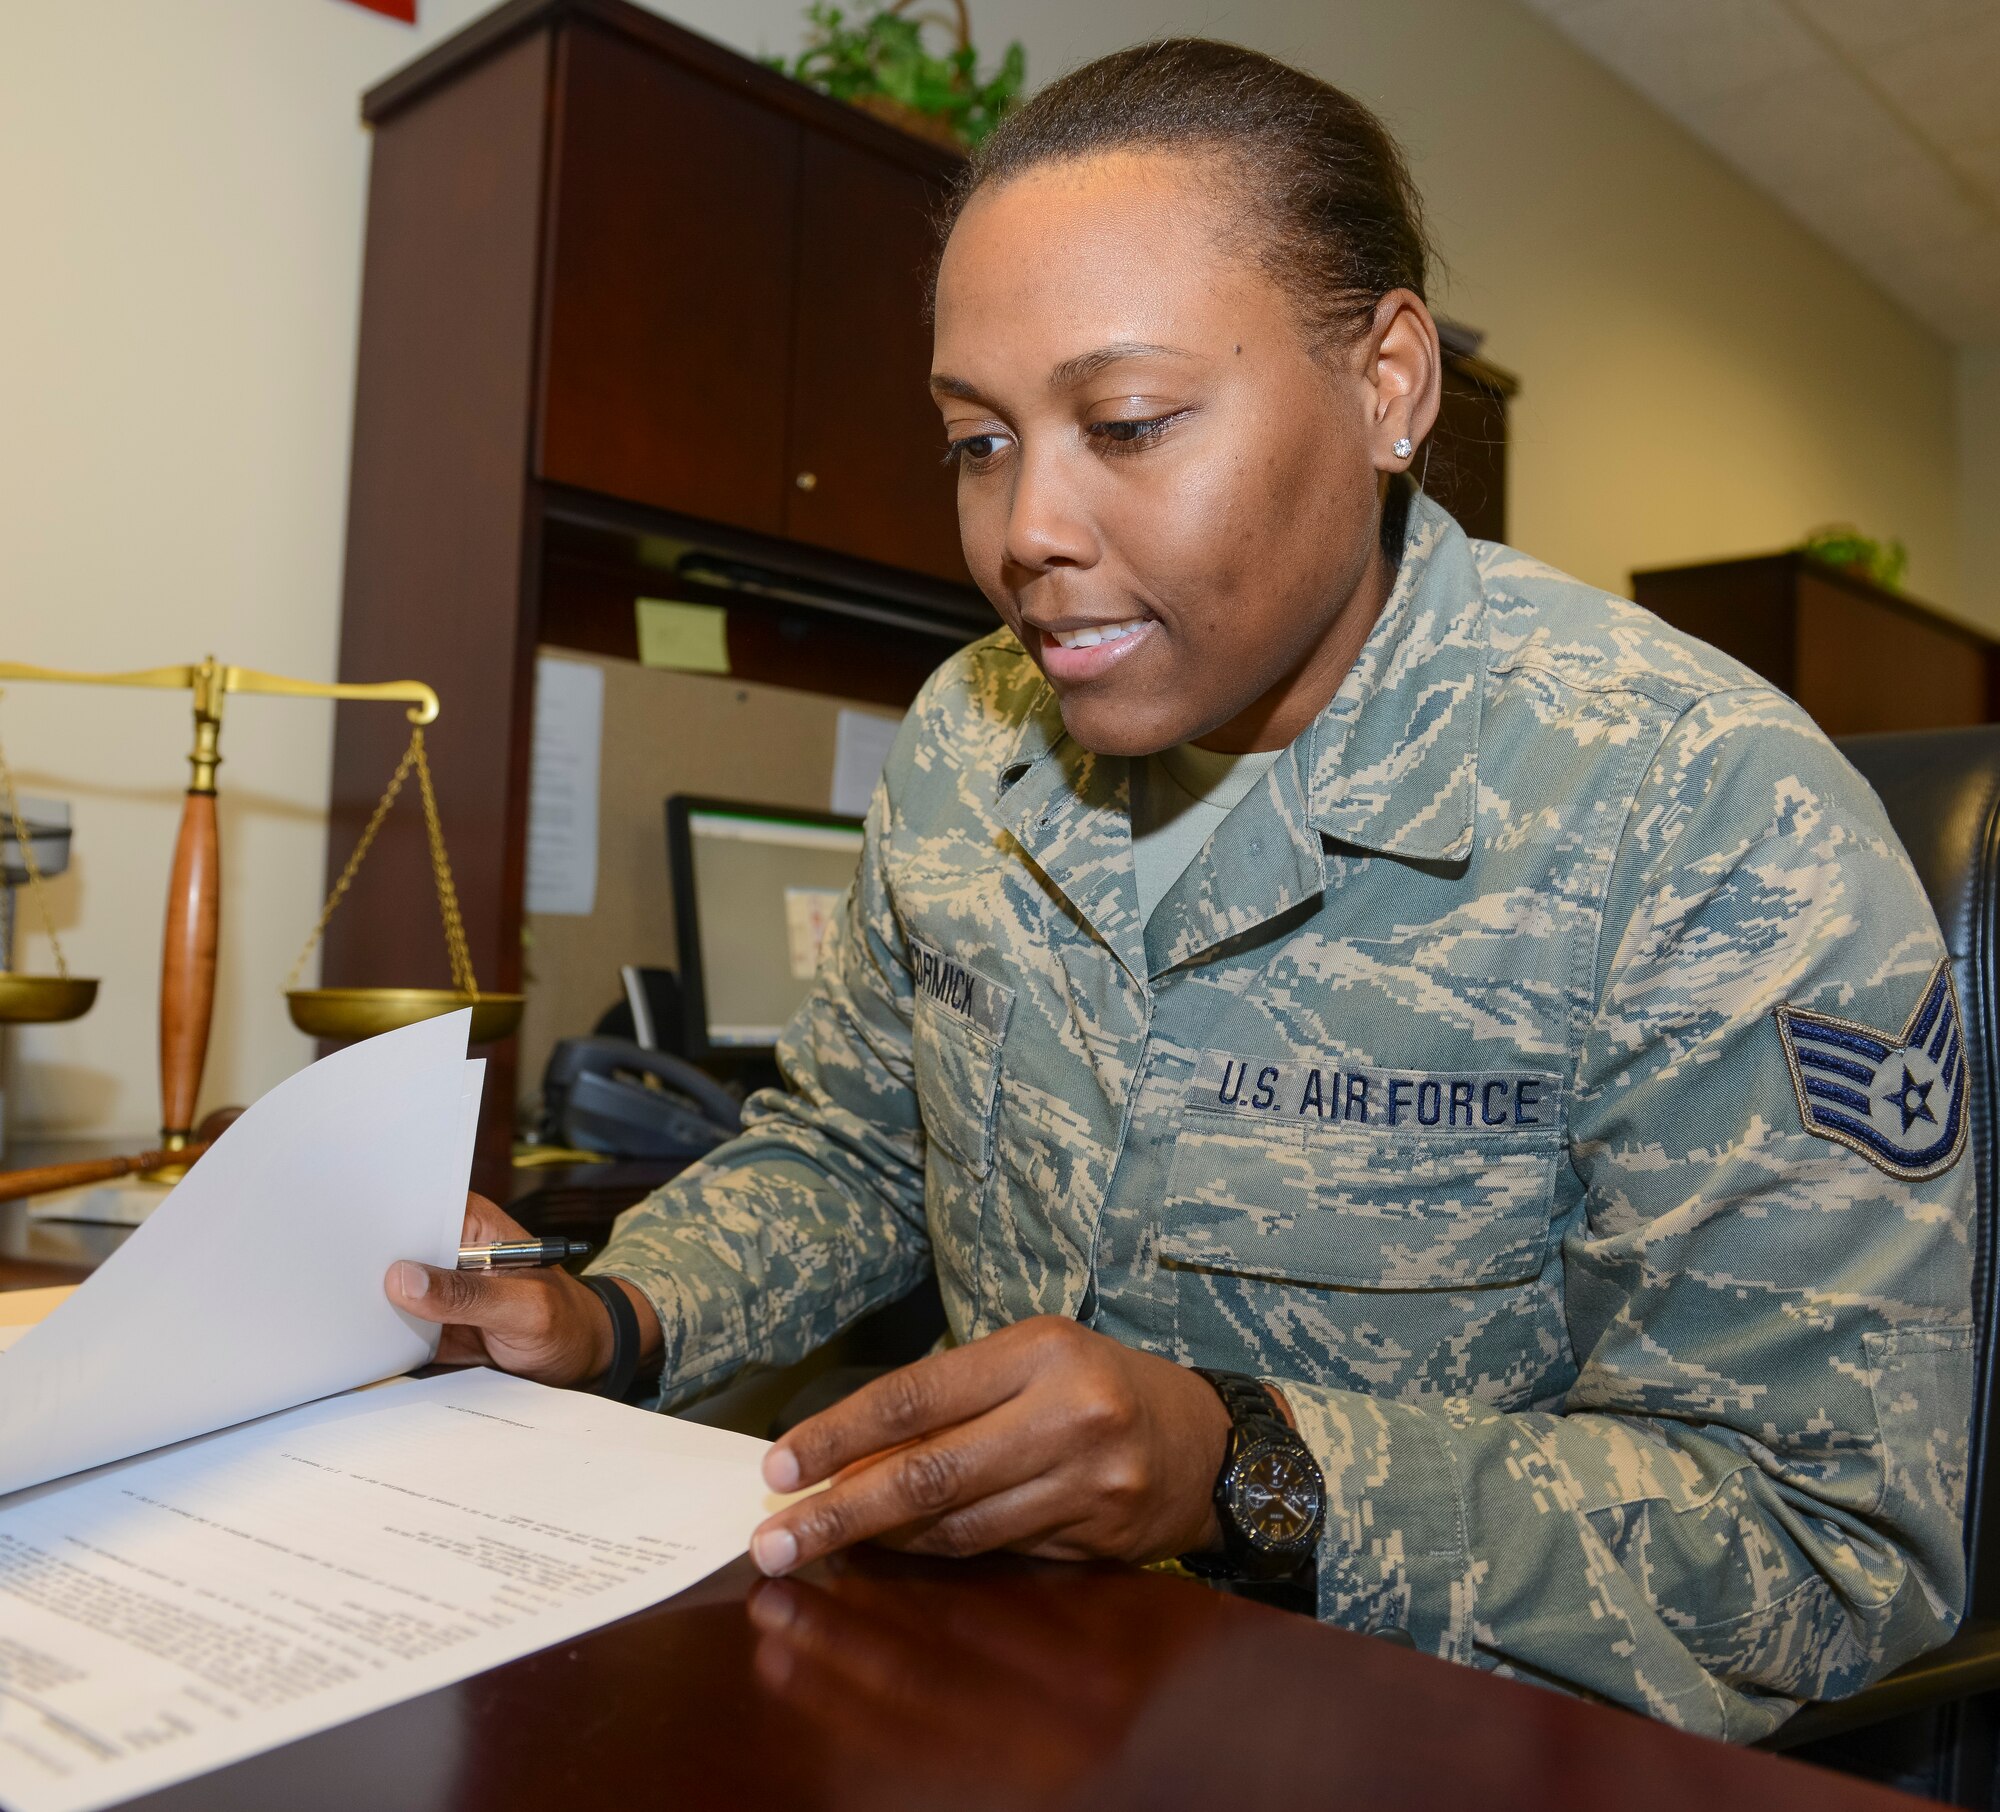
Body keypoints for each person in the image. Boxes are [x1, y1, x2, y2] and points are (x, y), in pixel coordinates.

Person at [385, 39, 1974, 1739]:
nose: (1025, 533)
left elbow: (1820, 1549)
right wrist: (616, 1312)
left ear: (1388, 386)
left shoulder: (1703, 811)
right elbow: (853, 1148)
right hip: (992, 1703)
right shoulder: (964, 743)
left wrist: (1247, 1471)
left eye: (1126, 424)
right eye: (977, 443)